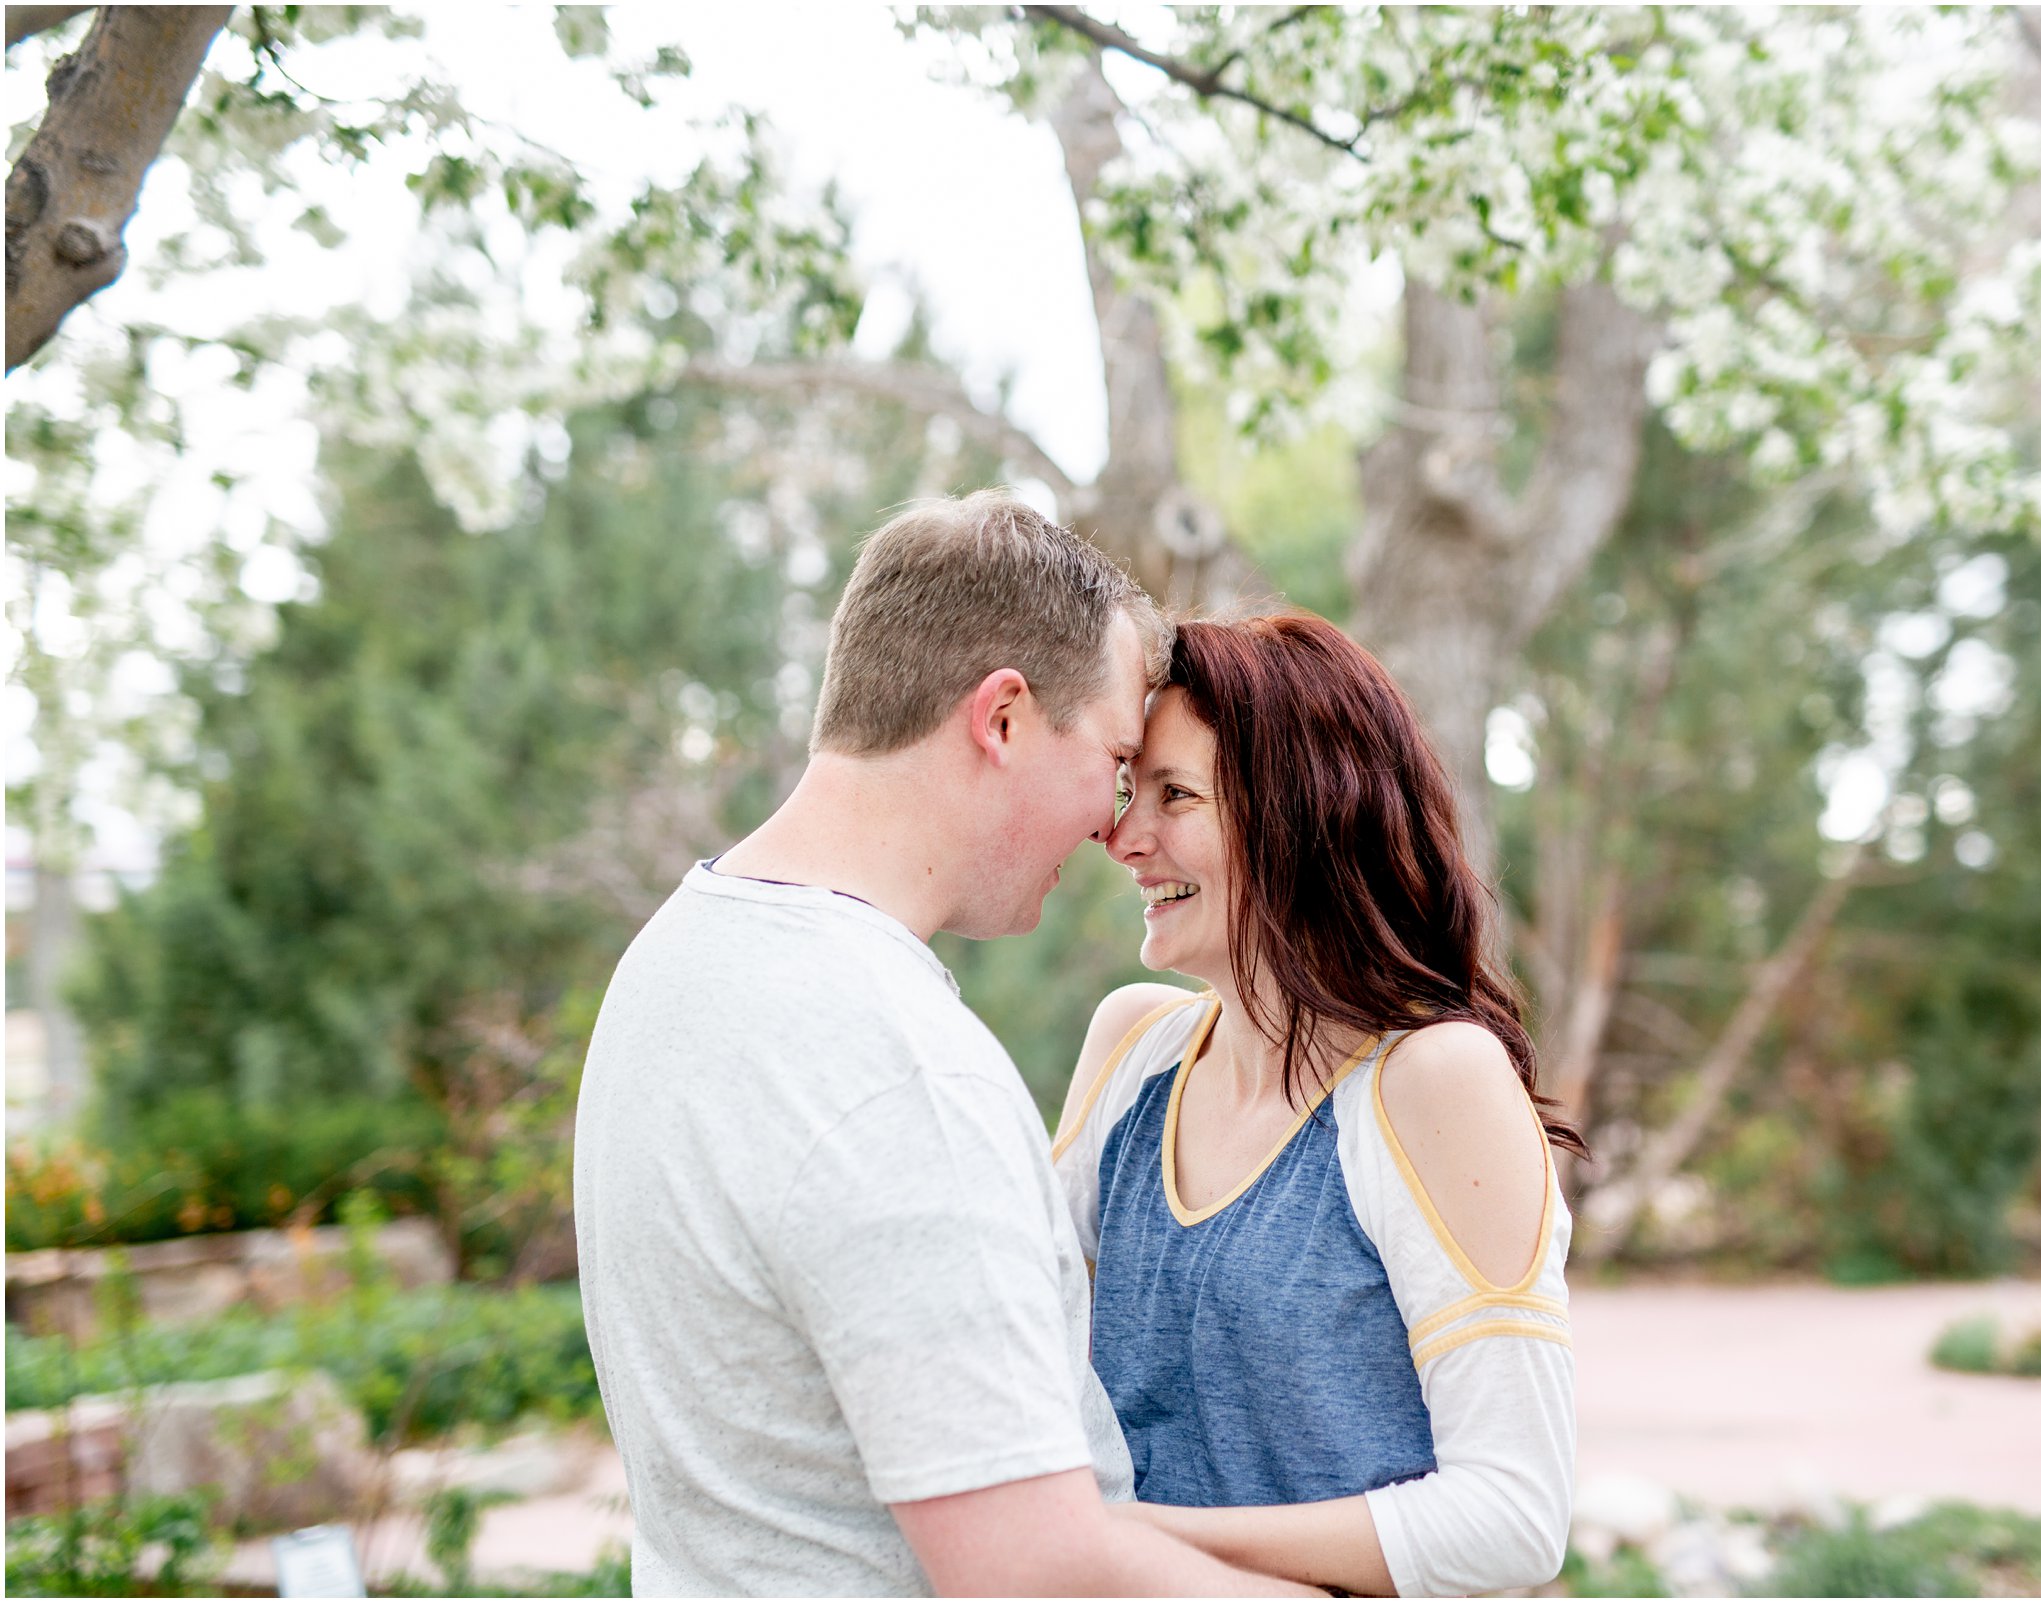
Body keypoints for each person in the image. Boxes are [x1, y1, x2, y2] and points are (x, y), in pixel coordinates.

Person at [574, 493, 1313, 1597]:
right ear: (1002, 718)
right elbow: (1036, 1569)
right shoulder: (894, 1067)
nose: (1113, 825)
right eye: (1114, 760)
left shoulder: (677, 959)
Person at [1052, 612, 1583, 1597]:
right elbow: (1025, 1358)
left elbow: (1513, 1516)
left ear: (1298, 816)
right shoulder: (1130, 1049)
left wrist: (1121, 1540)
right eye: (1133, 792)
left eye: (1174, 796)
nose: (1124, 839)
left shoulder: (1433, 1081)